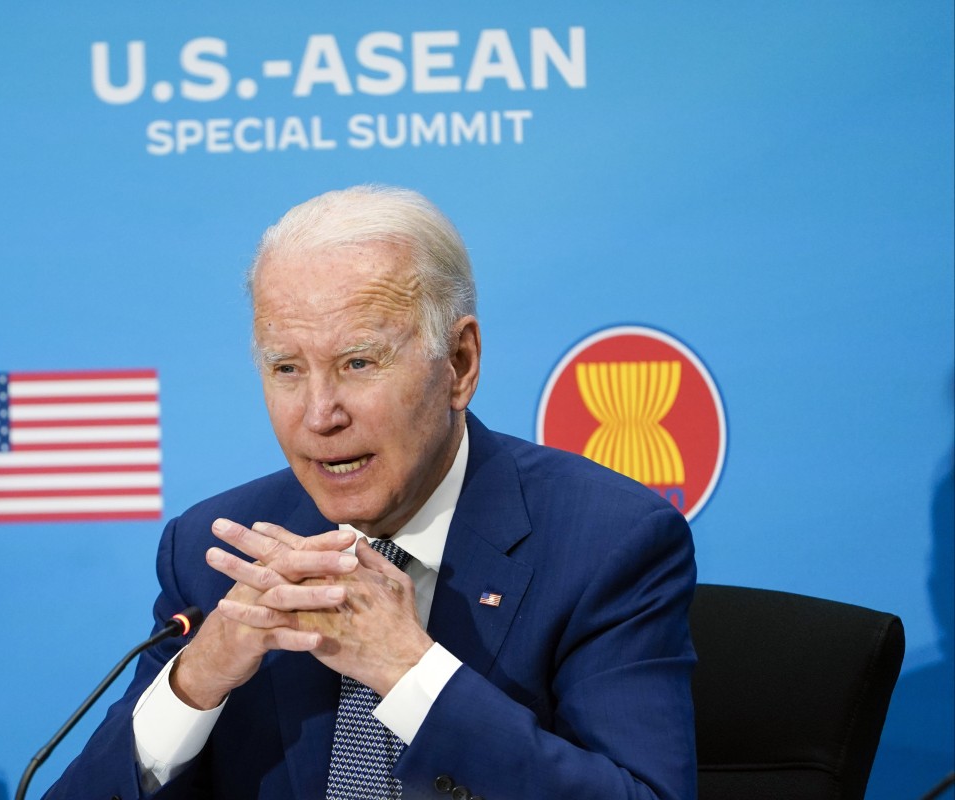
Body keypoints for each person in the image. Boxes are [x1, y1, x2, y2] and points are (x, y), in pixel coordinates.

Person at [43, 185, 697, 800]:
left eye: (358, 362)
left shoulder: (605, 541)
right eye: (287, 369)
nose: (319, 414)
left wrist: (413, 674)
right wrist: (194, 682)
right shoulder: (214, 551)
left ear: (460, 364)